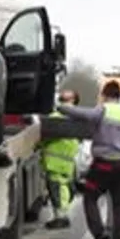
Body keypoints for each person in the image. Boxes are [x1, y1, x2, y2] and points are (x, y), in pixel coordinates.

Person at [53, 80, 120, 239]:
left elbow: (83, 114)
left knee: (90, 197)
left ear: (105, 95)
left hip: (103, 165)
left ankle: (99, 233)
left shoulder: (104, 109)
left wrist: (60, 107)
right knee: (119, 204)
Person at [40, 89, 82, 230]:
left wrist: (36, 146)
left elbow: (44, 138)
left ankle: (61, 217)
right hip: (67, 161)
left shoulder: (55, 117)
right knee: (63, 188)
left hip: (55, 161)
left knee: (57, 189)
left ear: (74, 100)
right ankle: (61, 216)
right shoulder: (77, 118)